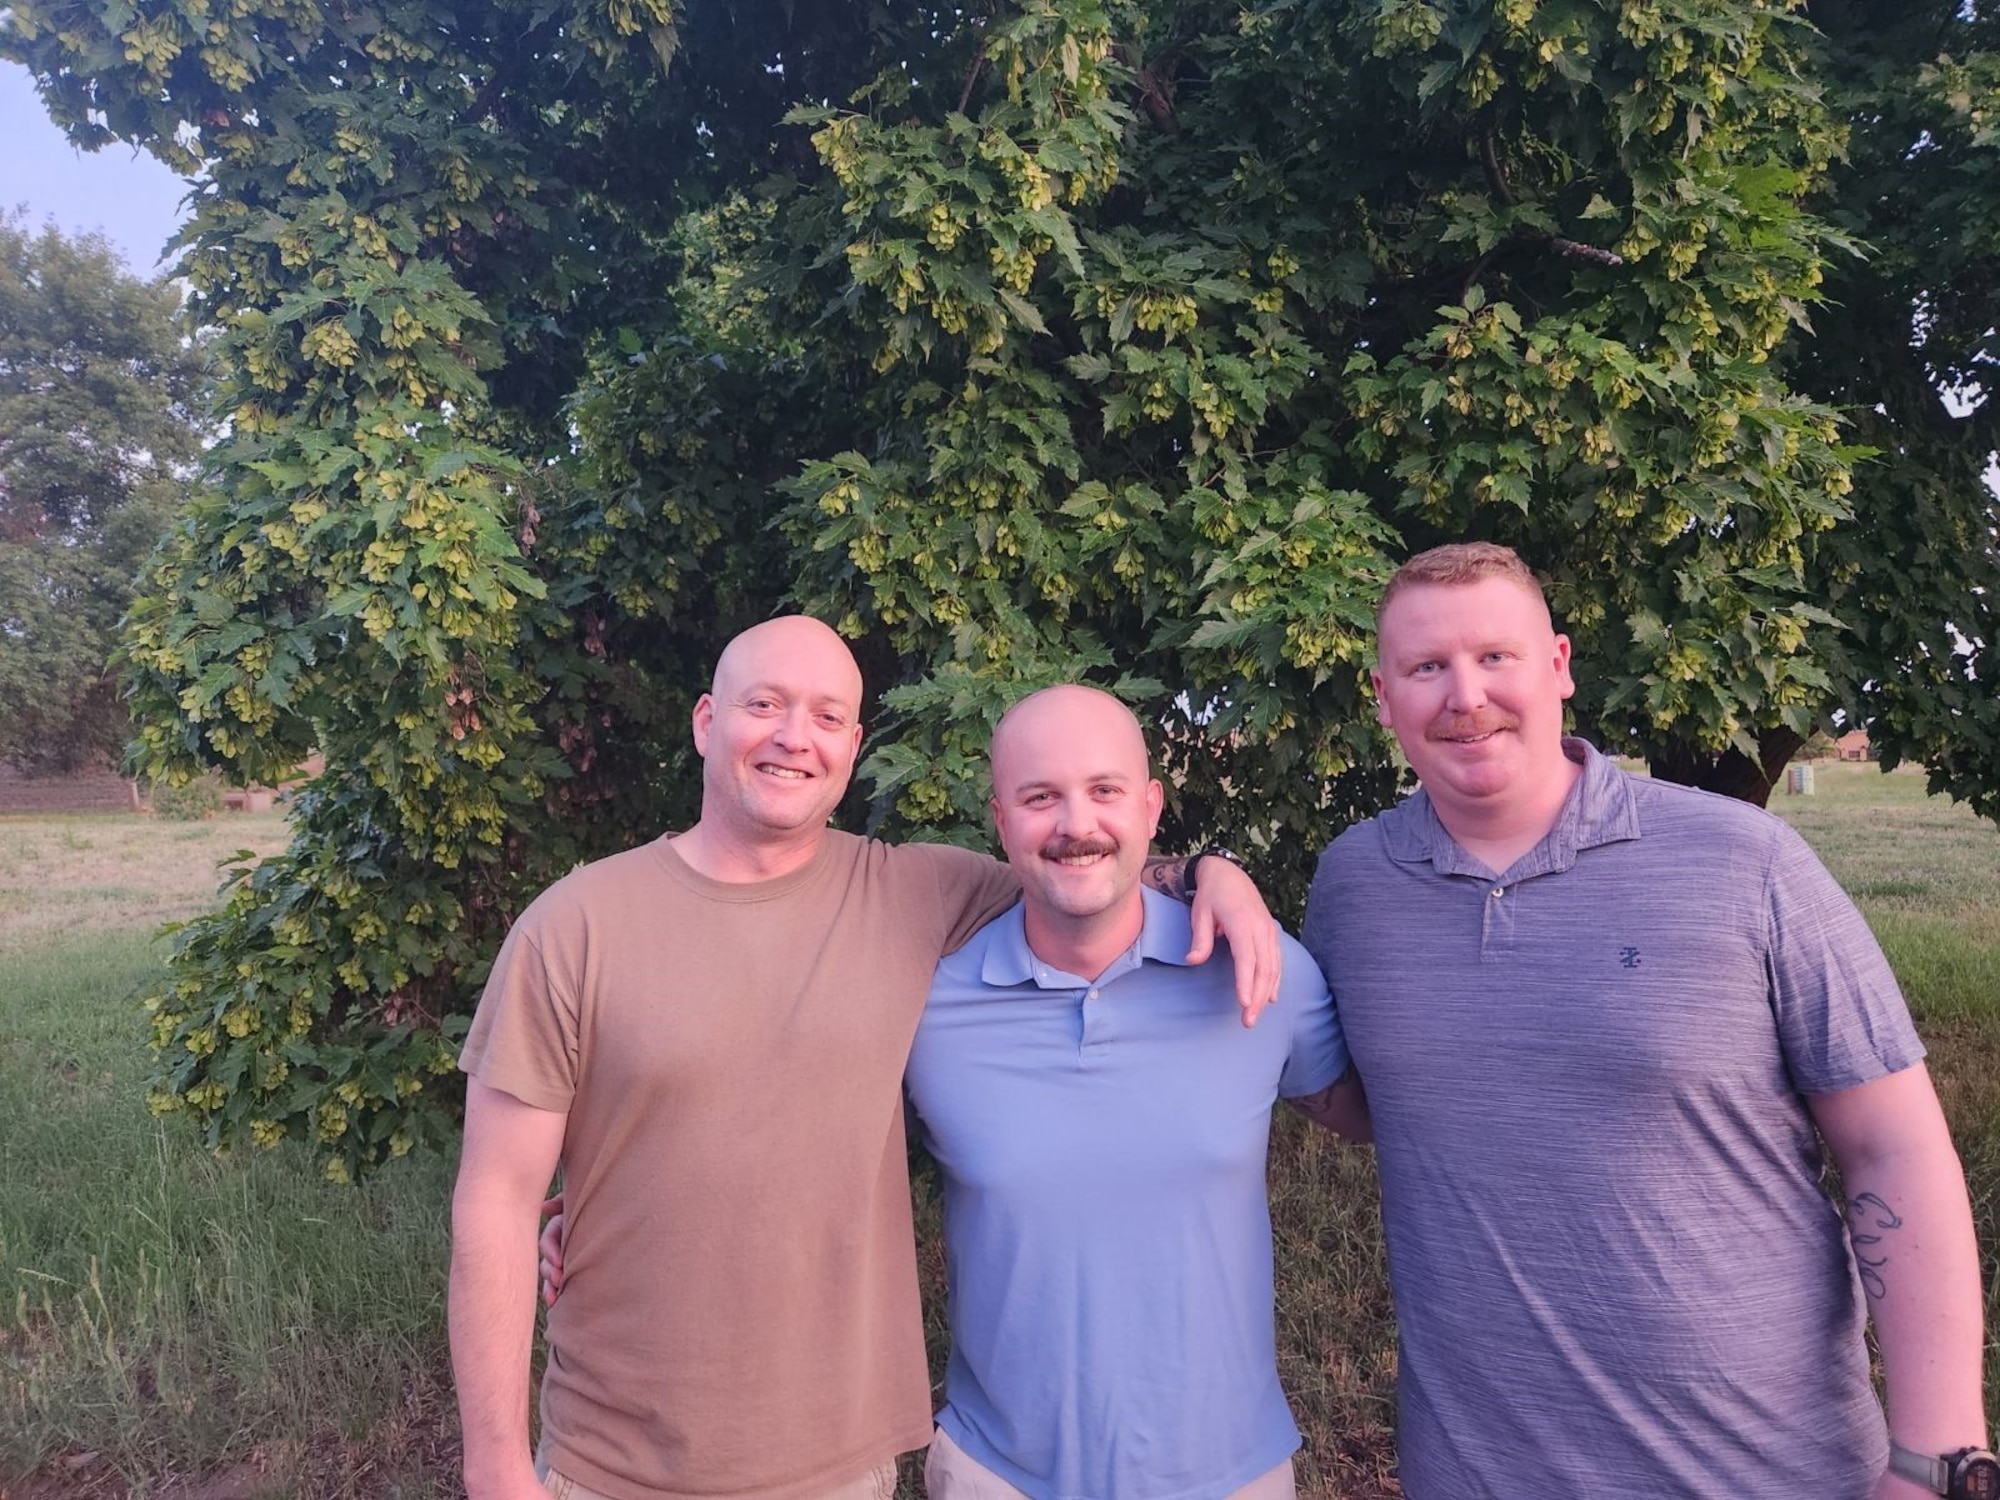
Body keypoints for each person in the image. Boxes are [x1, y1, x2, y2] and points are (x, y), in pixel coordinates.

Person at [448, 616, 1281, 1500]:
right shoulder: (575, 926)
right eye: (763, 704)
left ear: (852, 744)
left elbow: (1084, 871)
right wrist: (495, 1467)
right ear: (705, 721)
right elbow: (496, 1198)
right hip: (612, 1467)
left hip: (845, 1468)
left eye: (825, 715)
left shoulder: (912, 893)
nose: (792, 736)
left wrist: (1211, 875)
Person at [1301, 542, 1989, 1500]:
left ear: (1559, 667)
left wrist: (1937, 1457)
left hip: (1766, 1471)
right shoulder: (1354, 886)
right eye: (1427, 668)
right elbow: (1376, 1099)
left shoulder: (1744, 862)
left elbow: (1896, 1148)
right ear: (1384, 696)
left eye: (1496, 656)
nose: (1465, 696)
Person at [904, 686, 1368, 1500]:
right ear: (1001, 820)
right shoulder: (925, 1008)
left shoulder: (1260, 969)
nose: (1076, 824)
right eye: (1040, 796)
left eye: (1105, 790)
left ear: (1152, 807)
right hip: (997, 1474)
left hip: (1231, 1474)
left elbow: (1382, 1118)